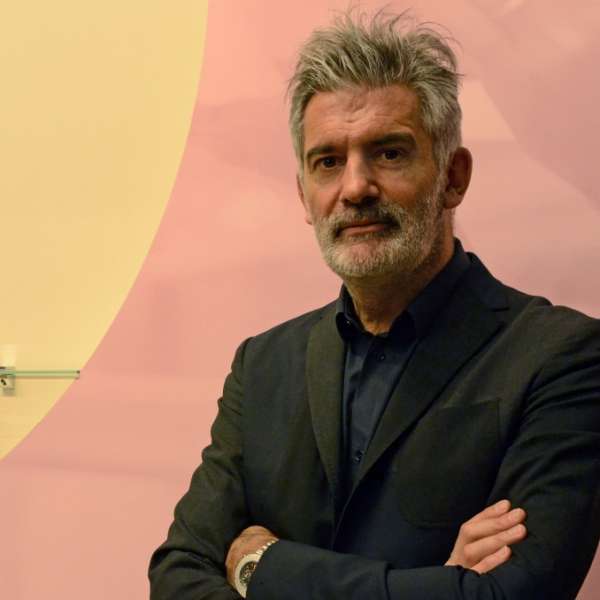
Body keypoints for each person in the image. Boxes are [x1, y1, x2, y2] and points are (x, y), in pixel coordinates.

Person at [148, 9, 600, 599]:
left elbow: (514, 594)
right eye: (328, 162)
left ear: (454, 177)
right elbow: (177, 575)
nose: (356, 187)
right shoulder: (262, 367)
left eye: (388, 153)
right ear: (304, 195)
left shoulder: (562, 358)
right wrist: (436, 585)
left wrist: (261, 565)